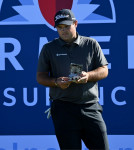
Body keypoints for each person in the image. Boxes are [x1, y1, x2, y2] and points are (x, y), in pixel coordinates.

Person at [37, 9, 109, 150]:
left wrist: (88, 76)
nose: (63, 30)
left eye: (67, 26)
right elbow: (41, 77)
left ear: (75, 24)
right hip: (63, 109)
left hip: (90, 107)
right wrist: (56, 82)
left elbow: (104, 70)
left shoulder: (91, 44)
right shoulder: (48, 48)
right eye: (60, 27)